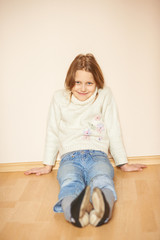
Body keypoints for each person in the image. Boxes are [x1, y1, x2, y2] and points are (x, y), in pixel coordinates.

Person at [25, 53, 146, 228]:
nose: (83, 88)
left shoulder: (104, 95)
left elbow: (113, 128)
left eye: (89, 83)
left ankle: (102, 207)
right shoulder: (59, 97)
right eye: (77, 82)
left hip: (98, 156)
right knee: (70, 182)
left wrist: (122, 163)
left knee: (102, 178)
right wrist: (47, 165)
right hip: (69, 158)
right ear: (70, 81)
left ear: (97, 81)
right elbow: (52, 131)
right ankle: (74, 210)